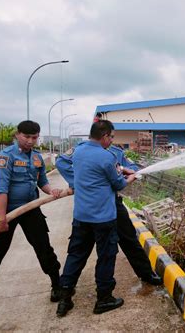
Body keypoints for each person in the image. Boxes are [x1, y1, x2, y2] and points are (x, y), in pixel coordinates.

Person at [0, 120, 63, 317]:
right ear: (17, 135)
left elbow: (43, 182)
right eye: (27, 137)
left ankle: (58, 285)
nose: (31, 141)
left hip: (30, 209)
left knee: (44, 248)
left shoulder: (38, 158)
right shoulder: (6, 157)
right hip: (5, 212)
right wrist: (2, 219)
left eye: (34, 137)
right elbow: (1, 189)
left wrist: (52, 190)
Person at [56, 120, 136, 317]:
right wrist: (131, 176)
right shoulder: (106, 157)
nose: (112, 141)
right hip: (103, 218)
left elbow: (88, 170)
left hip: (81, 216)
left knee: (76, 255)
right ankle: (104, 299)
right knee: (106, 256)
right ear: (105, 136)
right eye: (111, 137)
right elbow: (118, 185)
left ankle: (64, 298)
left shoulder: (80, 151)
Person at [57, 144, 162, 287]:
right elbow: (61, 162)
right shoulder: (81, 150)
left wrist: (126, 172)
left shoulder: (116, 152)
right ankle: (65, 288)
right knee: (81, 250)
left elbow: (134, 168)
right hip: (89, 204)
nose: (110, 138)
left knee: (129, 238)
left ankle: (146, 274)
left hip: (113, 202)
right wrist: (80, 181)